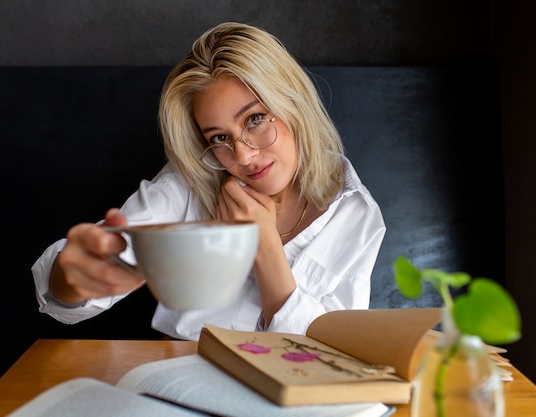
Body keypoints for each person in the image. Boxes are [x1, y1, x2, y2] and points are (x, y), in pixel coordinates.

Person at [32, 21, 386, 341]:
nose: (243, 156)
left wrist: (265, 249)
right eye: (219, 139)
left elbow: (336, 352)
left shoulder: (354, 212)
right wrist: (74, 274)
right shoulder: (189, 183)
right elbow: (65, 294)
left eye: (255, 119)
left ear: (293, 102)